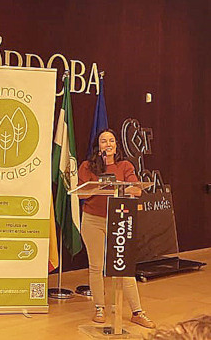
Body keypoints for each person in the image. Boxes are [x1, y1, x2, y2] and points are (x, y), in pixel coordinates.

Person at [77, 129, 155, 329]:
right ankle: (99, 308)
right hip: (93, 220)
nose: (108, 144)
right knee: (96, 266)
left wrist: (118, 187)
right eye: (104, 141)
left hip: (118, 220)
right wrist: (100, 186)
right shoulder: (87, 166)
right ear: (98, 146)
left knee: (124, 267)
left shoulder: (125, 166)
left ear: (116, 146)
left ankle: (137, 312)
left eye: (111, 140)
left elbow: (136, 190)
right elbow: (81, 194)